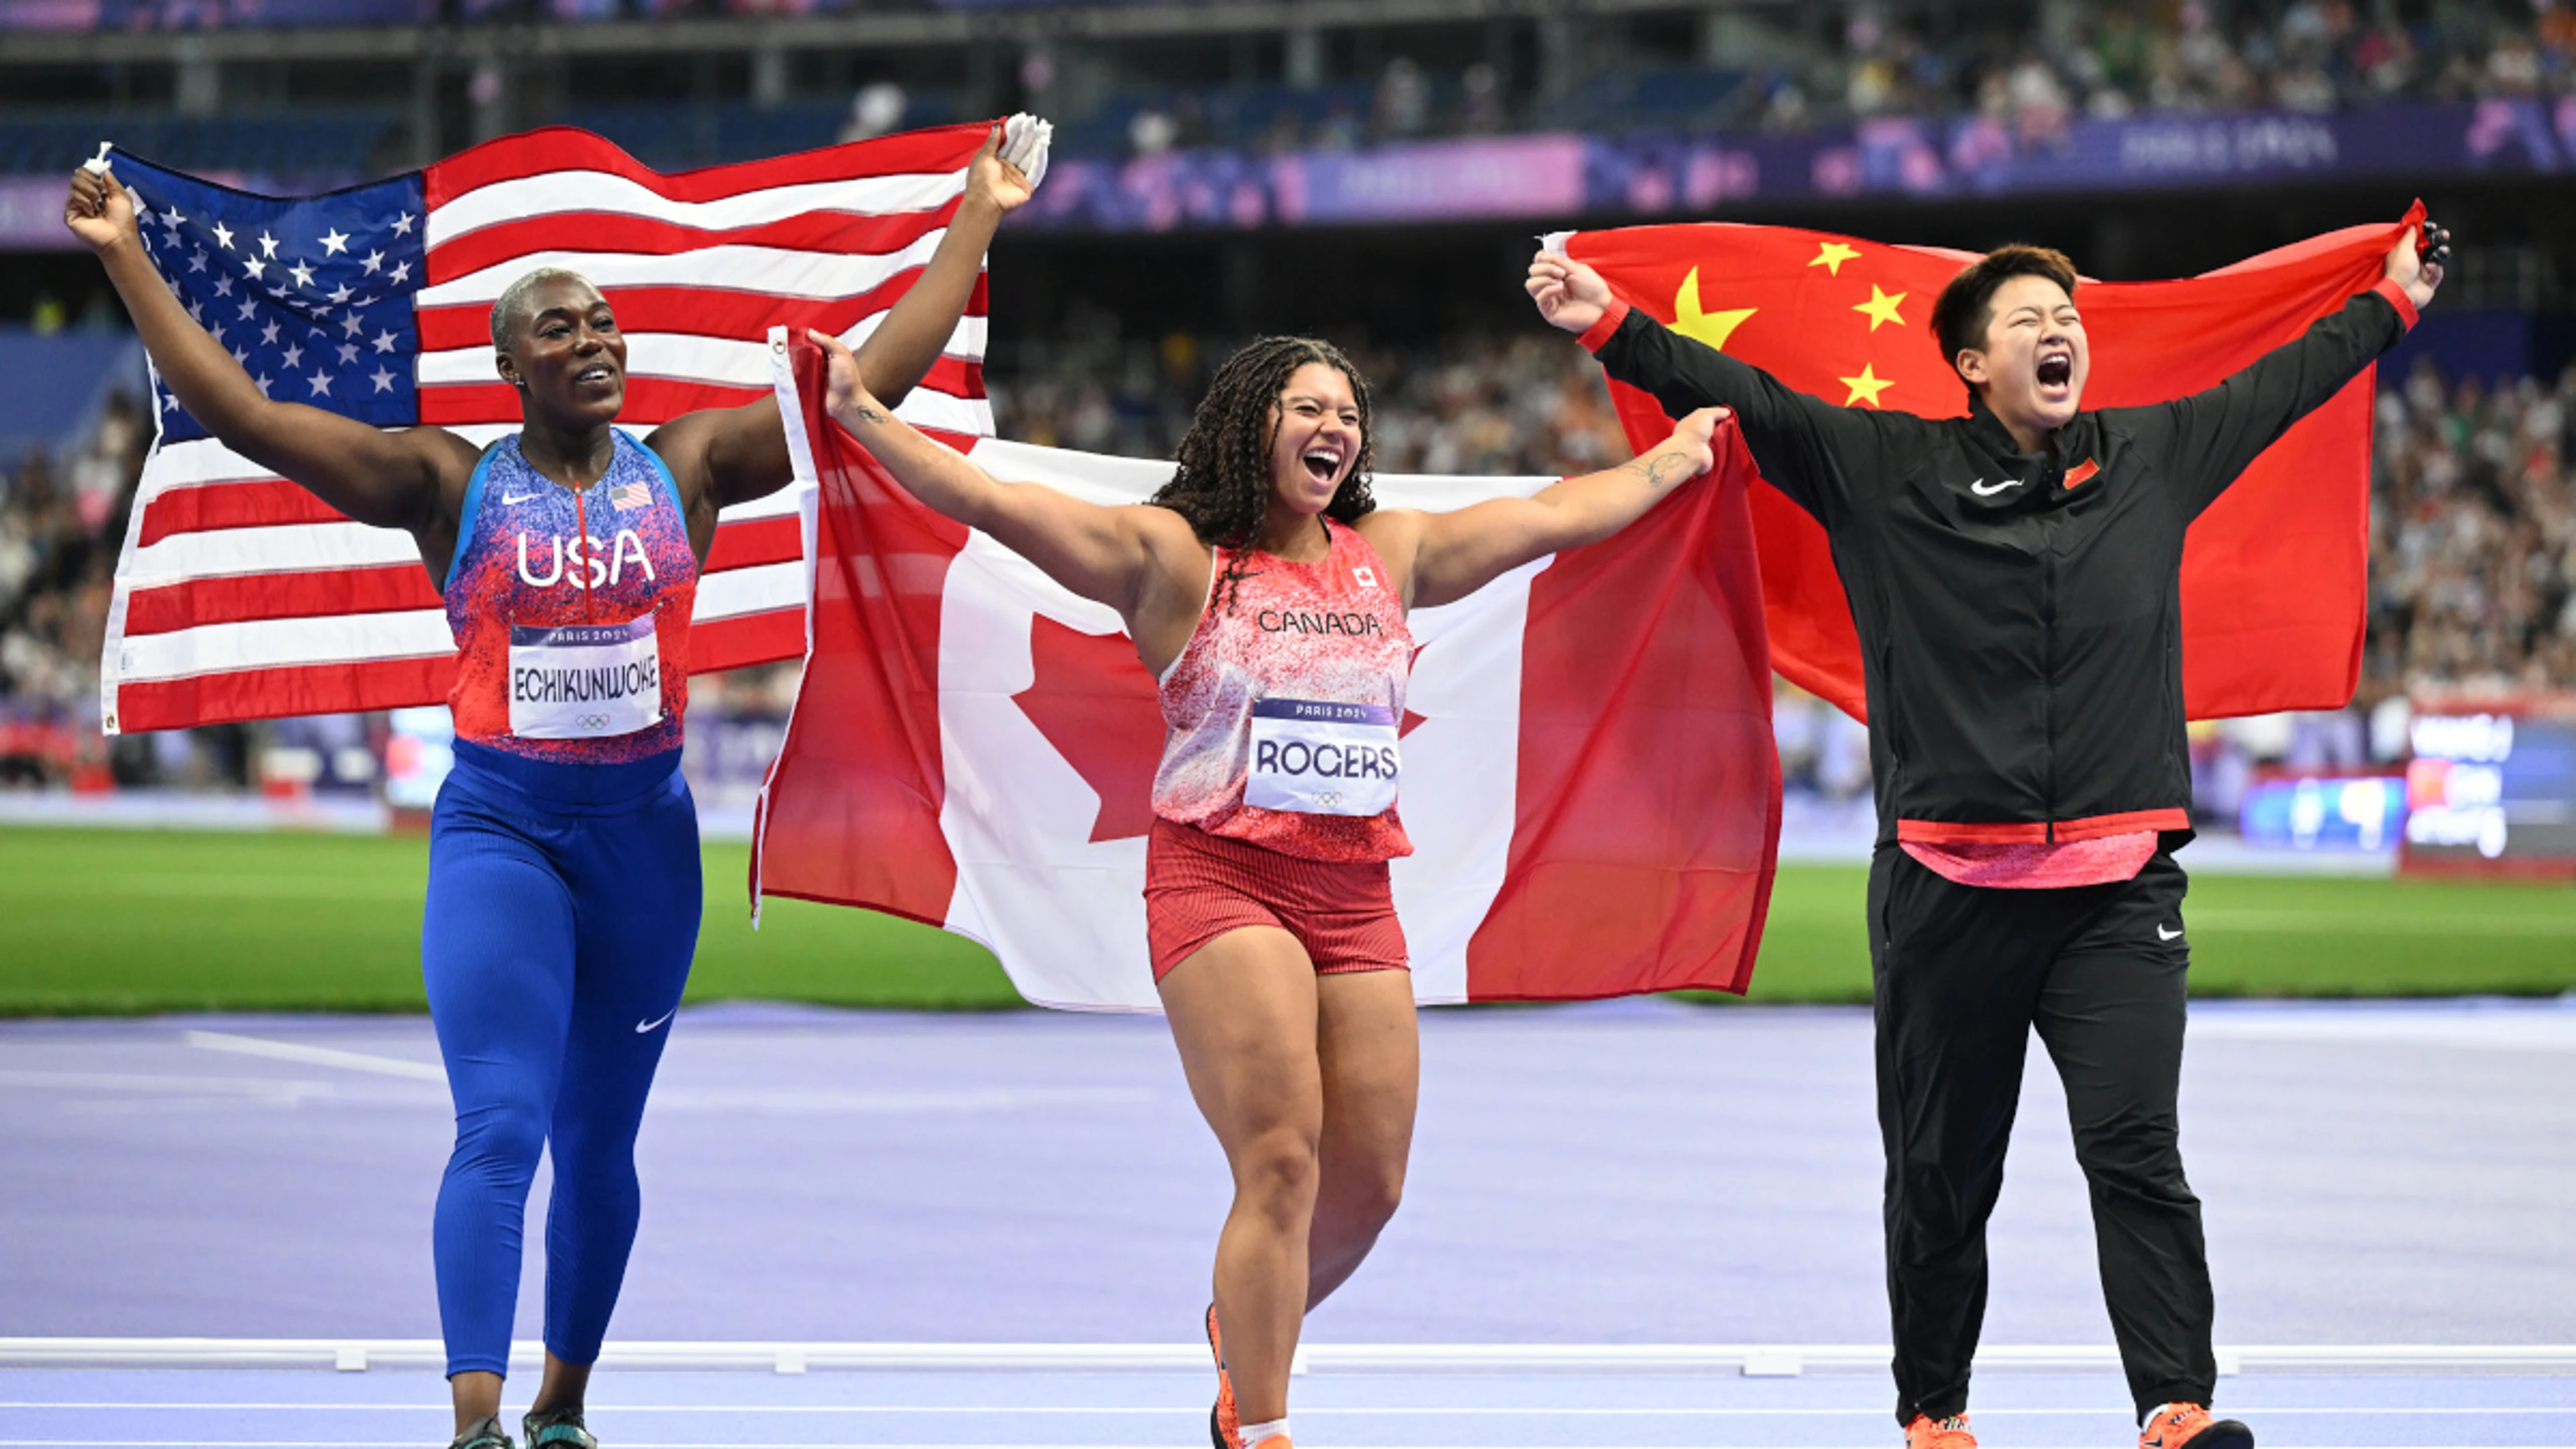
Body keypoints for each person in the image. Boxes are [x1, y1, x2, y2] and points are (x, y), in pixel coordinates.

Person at [64, 126, 1040, 1449]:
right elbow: (242, 414)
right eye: (564, 328)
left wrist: (977, 216)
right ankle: (474, 1424)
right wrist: (126, 257)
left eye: (607, 326)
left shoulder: (689, 466)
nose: (597, 343)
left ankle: (564, 1411)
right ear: (508, 360)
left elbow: (867, 382)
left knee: (600, 1144)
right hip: (504, 836)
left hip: (643, 846)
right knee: (502, 1124)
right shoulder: (443, 480)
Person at [1528, 222, 2447, 1449]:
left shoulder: (2151, 456)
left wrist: (2393, 302)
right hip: (1946, 891)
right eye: (2028, 322)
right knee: (1942, 1181)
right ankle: (1936, 1414)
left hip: (2117, 891)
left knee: (2138, 1158)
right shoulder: (1883, 468)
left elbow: (2280, 384)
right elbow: (1750, 394)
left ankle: (2176, 1408)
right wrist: (1607, 320)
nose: (2059, 333)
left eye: (2067, 322)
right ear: (1971, 363)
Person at [805, 327, 1726, 1449]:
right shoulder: (1175, 558)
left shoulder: (1392, 551)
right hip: (1221, 879)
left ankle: (1239, 1338)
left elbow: (1552, 517)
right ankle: (1263, 1425)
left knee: (1371, 1185)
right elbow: (997, 505)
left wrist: (1677, 459)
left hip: (1355, 894)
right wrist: (862, 413)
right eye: (1306, 406)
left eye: (1347, 411)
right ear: (1253, 425)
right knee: (1282, 1158)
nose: (1332, 425)